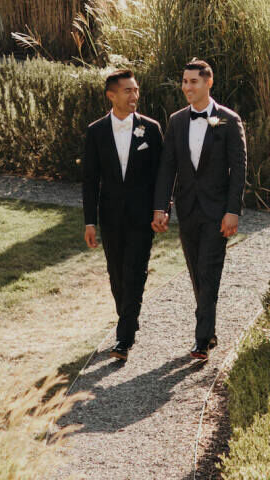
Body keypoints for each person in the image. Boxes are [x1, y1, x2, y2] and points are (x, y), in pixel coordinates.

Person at [152, 59, 246, 362]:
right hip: (188, 211)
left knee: (209, 271)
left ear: (209, 83)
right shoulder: (177, 121)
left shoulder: (229, 120)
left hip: (217, 212)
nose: (187, 87)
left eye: (193, 81)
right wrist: (161, 207)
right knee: (196, 271)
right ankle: (209, 328)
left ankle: (202, 339)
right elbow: (167, 168)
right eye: (184, 81)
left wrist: (233, 210)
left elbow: (239, 169)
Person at [82, 68, 163, 361]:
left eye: (136, 90)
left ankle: (123, 337)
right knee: (116, 275)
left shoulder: (151, 129)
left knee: (135, 273)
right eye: (128, 90)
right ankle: (129, 317)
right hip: (110, 217)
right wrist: (90, 222)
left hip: (142, 217)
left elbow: (161, 175)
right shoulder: (96, 131)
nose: (135, 96)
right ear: (111, 95)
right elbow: (90, 180)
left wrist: (161, 209)